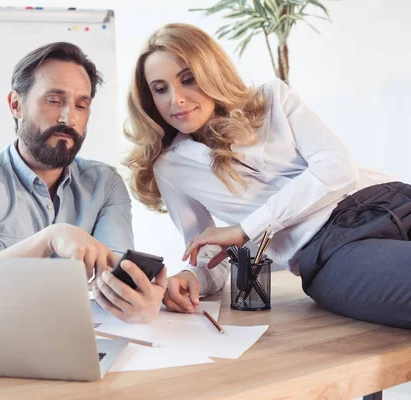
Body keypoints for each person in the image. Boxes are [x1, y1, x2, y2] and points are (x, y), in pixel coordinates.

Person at [123, 23, 411, 328]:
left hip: (390, 199)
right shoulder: (170, 167)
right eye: (160, 89)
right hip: (328, 248)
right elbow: (209, 252)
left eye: (188, 79)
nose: (175, 99)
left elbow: (337, 167)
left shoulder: (273, 98)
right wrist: (190, 275)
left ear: (211, 72)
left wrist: (246, 229)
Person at [0, 42, 166, 324]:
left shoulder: (105, 183)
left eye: (81, 105)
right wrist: (49, 239)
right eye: (54, 101)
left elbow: (113, 275)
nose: (69, 118)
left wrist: (139, 301)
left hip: (80, 336)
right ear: (16, 105)